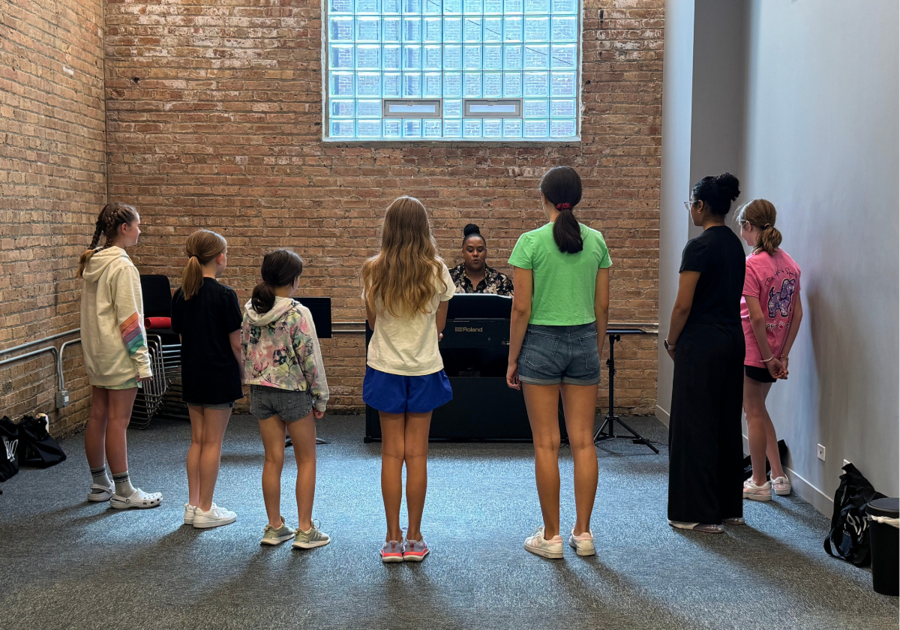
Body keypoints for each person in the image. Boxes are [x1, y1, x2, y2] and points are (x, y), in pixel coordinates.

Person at [506, 166, 611, 559]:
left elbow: (520, 310)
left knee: (546, 444)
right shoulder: (597, 240)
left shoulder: (529, 243)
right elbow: (602, 305)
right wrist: (595, 347)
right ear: (578, 197)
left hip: (541, 343)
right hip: (584, 338)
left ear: (544, 197)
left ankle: (550, 537)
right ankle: (583, 534)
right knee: (583, 441)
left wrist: (512, 359)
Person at [362, 196, 455, 563]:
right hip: (424, 368)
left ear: (388, 228)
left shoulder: (373, 269)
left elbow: (372, 324)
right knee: (417, 455)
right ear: (423, 228)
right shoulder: (437, 269)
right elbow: (441, 325)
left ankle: (391, 539)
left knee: (390, 453)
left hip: (384, 366)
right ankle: (415, 539)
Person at [664, 173, 745, 533]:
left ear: (700, 205)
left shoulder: (698, 247)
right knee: (725, 422)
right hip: (732, 340)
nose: (690, 211)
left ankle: (695, 512)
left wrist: (671, 341)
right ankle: (728, 508)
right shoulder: (735, 246)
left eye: (690, 204)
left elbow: (683, 305)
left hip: (701, 342)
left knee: (693, 425)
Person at [242, 249, 330, 549]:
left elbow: (244, 349)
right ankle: (305, 530)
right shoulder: (297, 312)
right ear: (294, 279)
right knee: (306, 460)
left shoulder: (249, 311)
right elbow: (310, 360)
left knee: (272, 459)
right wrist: (320, 398)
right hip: (293, 392)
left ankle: (274, 526)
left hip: (260, 391)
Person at [78, 203, 162, 509]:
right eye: (138, 225)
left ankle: (100, 484)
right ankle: (124, 491)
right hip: (119, 356)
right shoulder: (123, 266)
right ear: (124, 229)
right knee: (117, 420)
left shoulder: (94, 262)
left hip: (97, 355)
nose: (140, 230)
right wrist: (142, 361)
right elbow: (130, 321)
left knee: (98, 416)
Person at [171, 230, 244, 529]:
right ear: (220, 258)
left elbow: (181, 335)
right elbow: (236, 344)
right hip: (219, 374)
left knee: (197, 440)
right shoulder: (226, 295)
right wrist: (243, 373)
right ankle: (206, 509)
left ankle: (192, 505)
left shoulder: (180, 294)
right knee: (213, 442)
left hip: (192, 372)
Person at [736, 200, 803, 501]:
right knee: (760, 410)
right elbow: (797, 314)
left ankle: (759, 482)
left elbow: (757, 317)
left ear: (749, 226)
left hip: (756, 351)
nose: (742, 234)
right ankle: (778, 475)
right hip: (774, 350)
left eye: (742, 228)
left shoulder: (752, 264)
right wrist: (782, 354)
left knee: (752, 412)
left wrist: (766, 357)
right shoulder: (790, 264)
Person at [449, 224, 514, 295]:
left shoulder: (501, 281)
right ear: (463, 252)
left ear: (486, 252)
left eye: (480, 250)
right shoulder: (449, 279)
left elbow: (513, 305)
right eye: (470, 250)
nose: (475, 254)